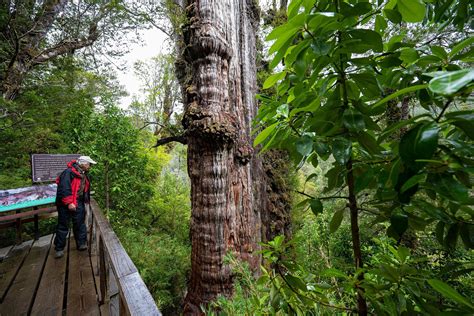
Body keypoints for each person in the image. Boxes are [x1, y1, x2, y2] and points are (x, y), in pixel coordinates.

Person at [54, 156, 97, 258]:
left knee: (79, 223)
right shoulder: (68, 173)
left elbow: (84, 188)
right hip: (66, 203)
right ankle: (59, 248)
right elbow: (64, 188)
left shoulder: (83, 174)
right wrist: (69, 203)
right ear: (83, 164)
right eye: (89, 164)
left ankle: (81, 243)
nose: (90, 166)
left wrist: (85, 199)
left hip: (78, 201)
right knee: (63, 225)